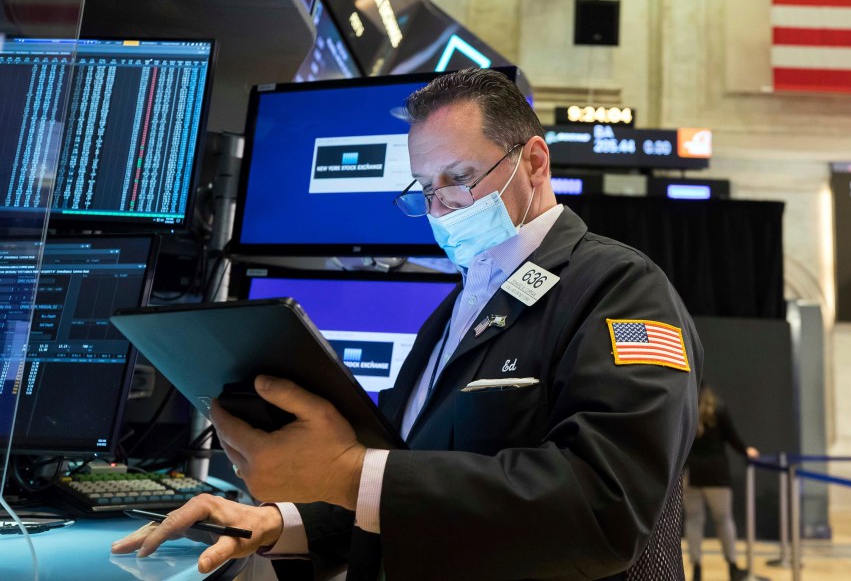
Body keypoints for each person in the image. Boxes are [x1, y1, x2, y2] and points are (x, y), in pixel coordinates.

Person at [112, 68, 702, 581]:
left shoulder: (620, 288)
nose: (442, 207)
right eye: (426, 188)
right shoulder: (452, 312)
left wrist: (346, 473)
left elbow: (602, 508)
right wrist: (277, 520)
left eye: (461, 176)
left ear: (536, 162)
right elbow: (402, 478)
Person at [683, 385, 759, 581]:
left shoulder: (685, 408)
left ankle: (697, 569)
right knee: (724, 520)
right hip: (717, 474)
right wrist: (745, 451)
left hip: (692, 473)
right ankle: (732, 567)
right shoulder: (719, 409)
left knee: (693, 521)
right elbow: (732, 436)